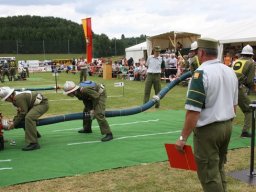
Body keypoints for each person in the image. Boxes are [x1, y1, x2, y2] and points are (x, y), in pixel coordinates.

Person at [175, 38, 238, 192]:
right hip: (227, 125)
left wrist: (183, 138)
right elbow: (234, 106)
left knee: (209, 174)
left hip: (209, 130)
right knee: (218, 168)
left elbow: (193, 111)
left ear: (201, 52)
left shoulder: (201, 74)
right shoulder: (230, 71)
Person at [0, 87, 49, 151]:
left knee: (29, 118)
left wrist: (14, 124)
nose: (6, 101)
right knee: (24, 118)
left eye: (6, 99)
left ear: (10, 96)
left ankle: (33, 143)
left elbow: (23, 113)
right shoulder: (16, 97)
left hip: (42, 104)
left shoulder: (18, 98)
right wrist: (14, 120)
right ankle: (35, 135)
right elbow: (21, 112)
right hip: (36, 104)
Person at [232, 44, 255, 138]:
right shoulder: (251, 63)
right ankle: (245, 132)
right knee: (249, 109)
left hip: (228, 86)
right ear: (251, 55)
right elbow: (249, 81)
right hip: (237, 87)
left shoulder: (238, 61)